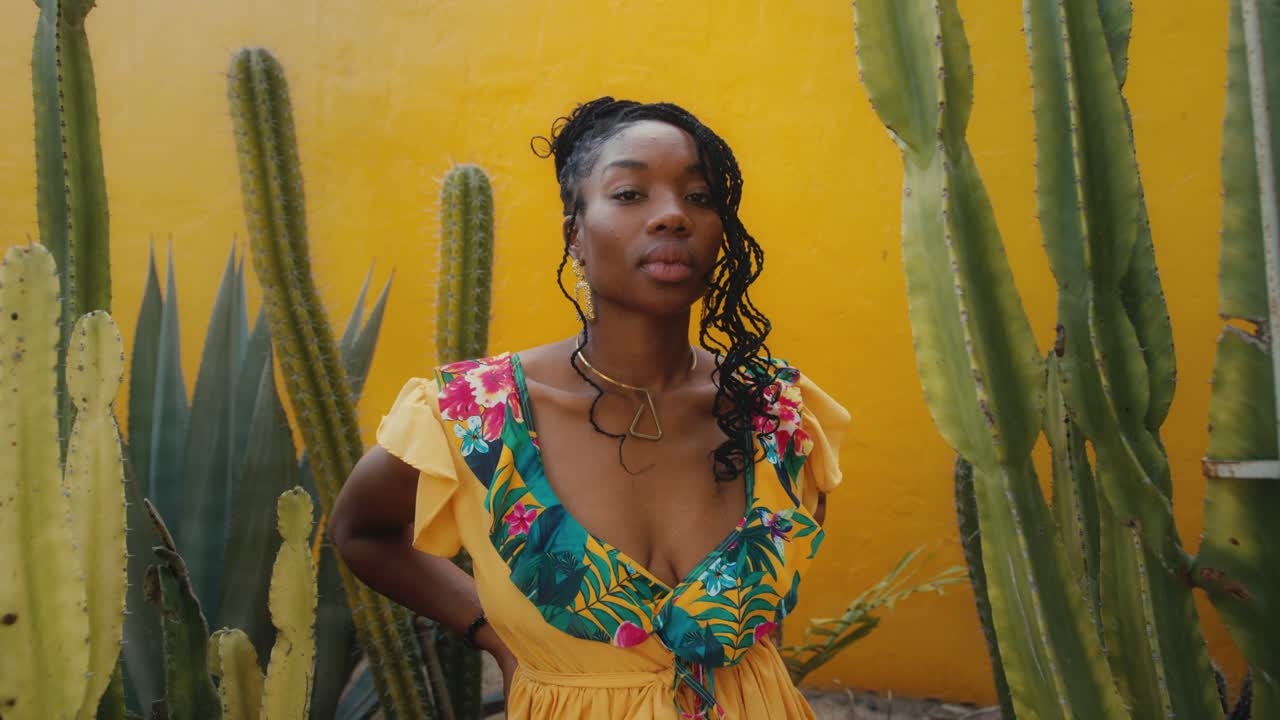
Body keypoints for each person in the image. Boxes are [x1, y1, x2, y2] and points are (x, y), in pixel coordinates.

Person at [330, 97, 850, 719]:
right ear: (574, 233)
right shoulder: (474, 417)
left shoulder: (777, 415)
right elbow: (360, 532)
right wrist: (492, 633)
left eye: (700, 197)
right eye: (630, 193)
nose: (671, 217)